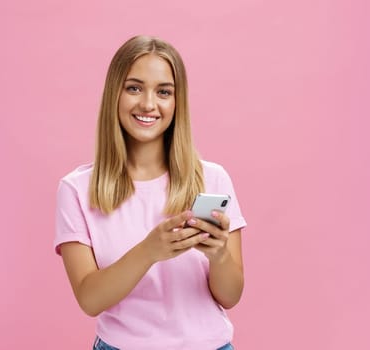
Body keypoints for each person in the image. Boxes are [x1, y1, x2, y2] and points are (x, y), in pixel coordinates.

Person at [54, 35, 247, 350]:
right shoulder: (76, 189)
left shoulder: (212, 179)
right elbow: (90, 299)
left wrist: (219, 254)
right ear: (114, 94)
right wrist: (150, 251)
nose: (148, 104)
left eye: (164, 92)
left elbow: (231, 295)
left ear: (177, 101)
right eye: (134, 88)